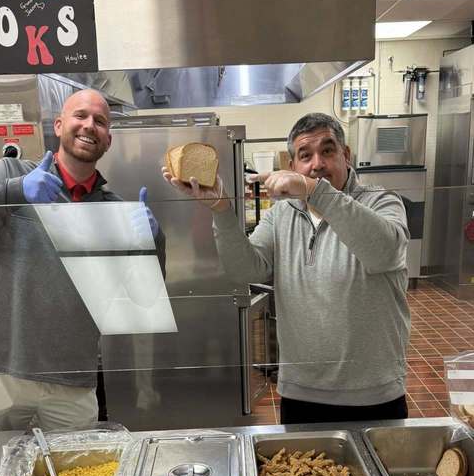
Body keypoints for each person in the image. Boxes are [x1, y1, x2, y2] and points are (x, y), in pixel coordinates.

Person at [162, 112, 409, 424]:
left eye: (328, 151)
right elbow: (247, 271)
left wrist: (314, 190)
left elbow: (384, 251)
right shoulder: (282, 215)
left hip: (373, 394)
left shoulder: (382, 202)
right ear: (294, 166)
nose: (317, 163)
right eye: (305, 156)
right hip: (301, 394)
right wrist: (222, 209)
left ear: (346, 156)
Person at [0, 88, 165, 432]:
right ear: (59, 126)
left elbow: (143, 300)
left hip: (72, 383)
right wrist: (13, 192)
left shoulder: (114, 209)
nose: (89, 125)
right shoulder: (9, 173)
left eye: (101, 121)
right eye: (80, 116)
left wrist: (152, 242)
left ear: (108, 140)